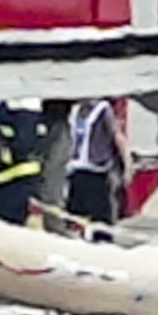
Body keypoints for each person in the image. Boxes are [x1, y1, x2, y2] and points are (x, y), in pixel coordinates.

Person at [0, 99, 45, 227]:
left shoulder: (23, 117)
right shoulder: (5, 111)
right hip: (5, 182)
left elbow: (20, 148)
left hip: (15, 187)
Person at [60, 95, 126, 232]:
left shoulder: (102, 108)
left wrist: (126, 162)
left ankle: (99, 237)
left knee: (97, 210)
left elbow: (117, 136)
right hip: (79, 167)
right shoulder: (76, 110)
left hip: (95, 167)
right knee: (79, 210)